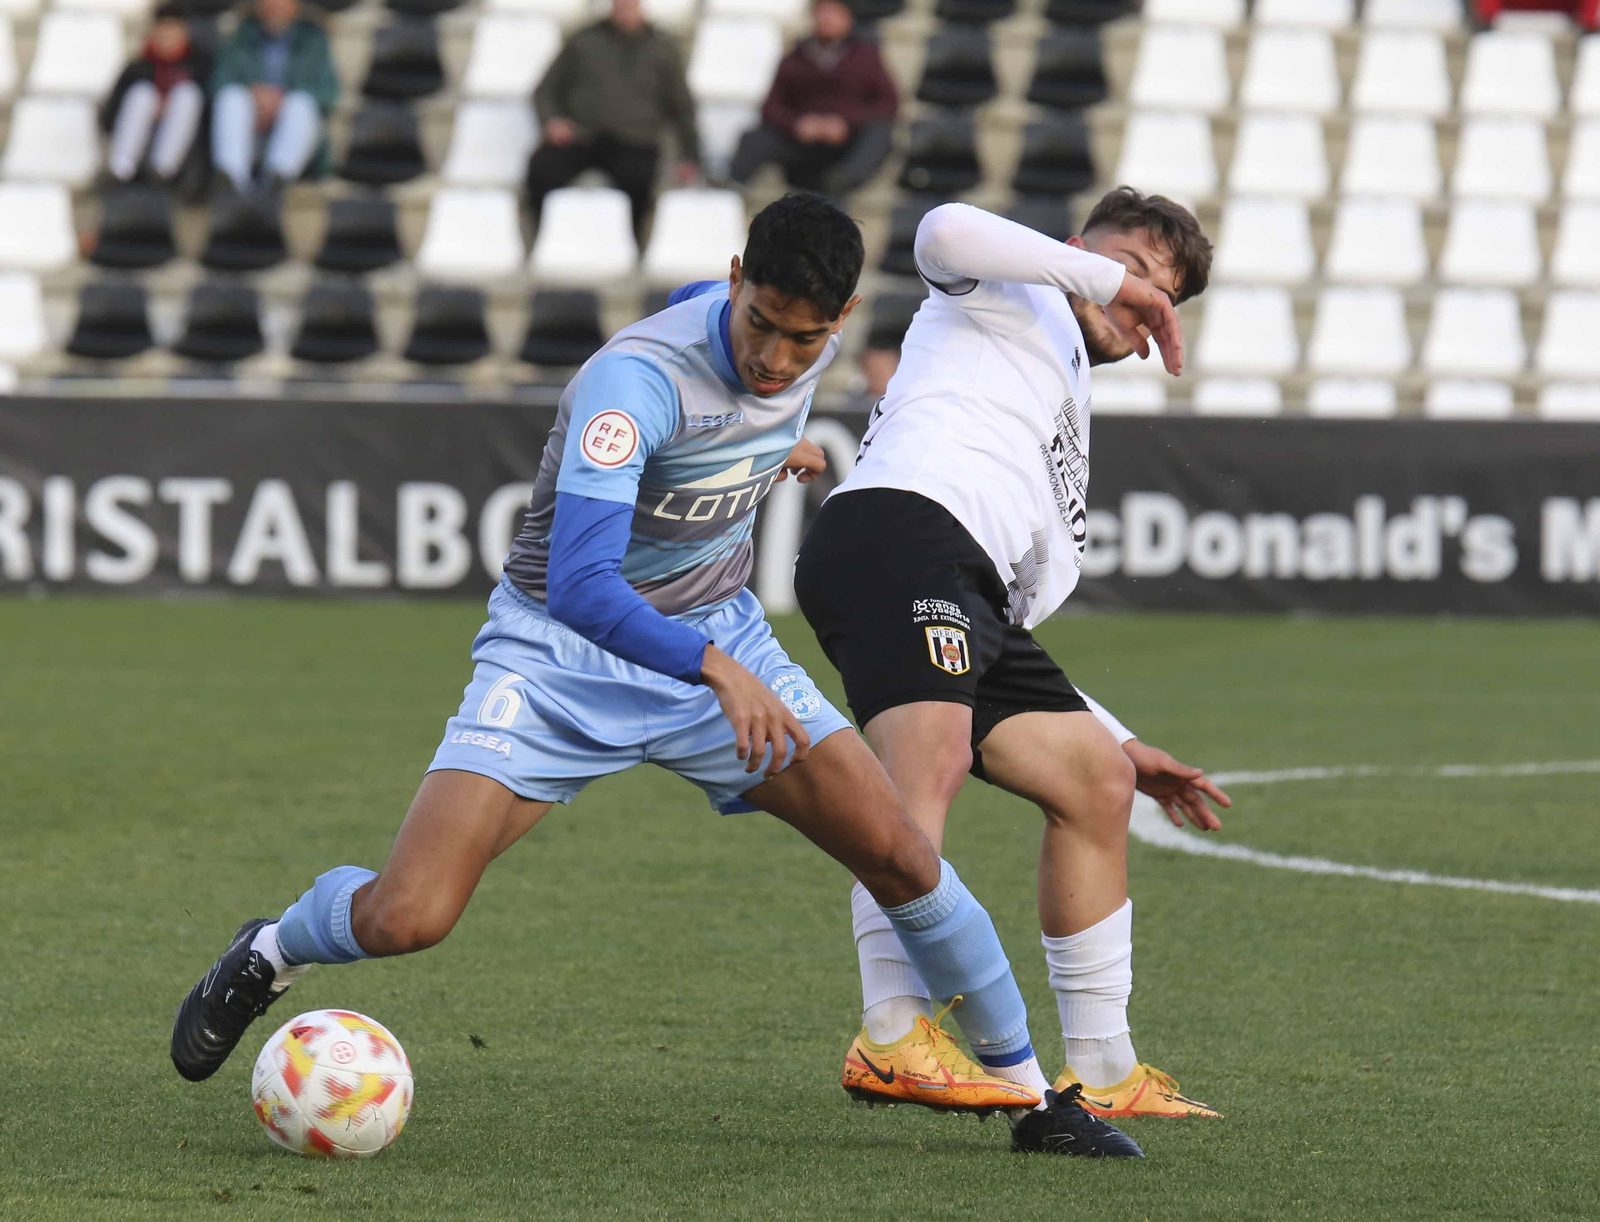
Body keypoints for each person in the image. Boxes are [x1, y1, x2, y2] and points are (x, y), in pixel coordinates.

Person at [167, 195, 1145, 1160]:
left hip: (718, 638)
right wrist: (714, 668)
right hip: (560, 659)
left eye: (803, 339)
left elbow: (719, 359)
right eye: (759, 324)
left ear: (841, 318)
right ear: (736, 281)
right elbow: (583, 585)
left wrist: (767, 448)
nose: (774, 359)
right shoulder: (630, 385)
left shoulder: (795, 341)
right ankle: (273, 949)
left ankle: (1034, 1100)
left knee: (900, 852)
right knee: (407, 915)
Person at [795, 189, 1233, 1120]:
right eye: (1128, 267)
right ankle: (891, 1033)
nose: (1139, 296)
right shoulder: (1008, 288)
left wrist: (1120, 737)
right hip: (897, 529)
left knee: (1097, 781)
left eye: (1162, 294)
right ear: (1076, 250)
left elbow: (998, 625)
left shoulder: (1066, 401)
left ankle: (1105, 1072)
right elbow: (941, 229)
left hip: (959, 579)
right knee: (929, 761)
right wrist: (1103, 278)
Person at [528, 0, 699, 246]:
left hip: (635, 140)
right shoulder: (584, 41)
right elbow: (545, 91)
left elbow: (682, 107)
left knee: (639, 180)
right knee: (542, 169)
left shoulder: (662, 48)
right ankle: (543, 241)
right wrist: (552, 121)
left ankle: (632, 246)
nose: (625, 8)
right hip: (581, 137)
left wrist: (690, 155)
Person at [729, 0, 897, 200]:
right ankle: (730, 189)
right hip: (802, 144)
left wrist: (845, 124)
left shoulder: (866, 56)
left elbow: (888, 103)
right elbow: (771, 108)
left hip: (847, 145)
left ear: (848, 18)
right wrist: (799, 124)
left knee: (880, 132)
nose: (827, 19)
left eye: (834, 13)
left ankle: (843, 180)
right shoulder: (795, 57)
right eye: (822, 12)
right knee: (755, 138)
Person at [209, 0, 339, 196]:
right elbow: (218, 82)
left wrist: (281, 99)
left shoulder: (313, 40)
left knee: (301, 103)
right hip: (250, 125)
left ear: (295, 6)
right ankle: (232, 183)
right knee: (231, 96)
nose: (275, 5)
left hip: (293, 131)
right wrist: (254, 95)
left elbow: (328, 93)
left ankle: (275, 183)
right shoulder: (240, 36)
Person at [100, 4, 213, 185]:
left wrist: (169, 106)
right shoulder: (136, 69)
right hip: (142, 136)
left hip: (186, 150)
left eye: (173, 32)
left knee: (187, 95)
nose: (168, 39)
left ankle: (163, 172)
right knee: (142, 94)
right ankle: (121, 170)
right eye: (163, 31)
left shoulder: (199, 67)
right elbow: (110, 115)